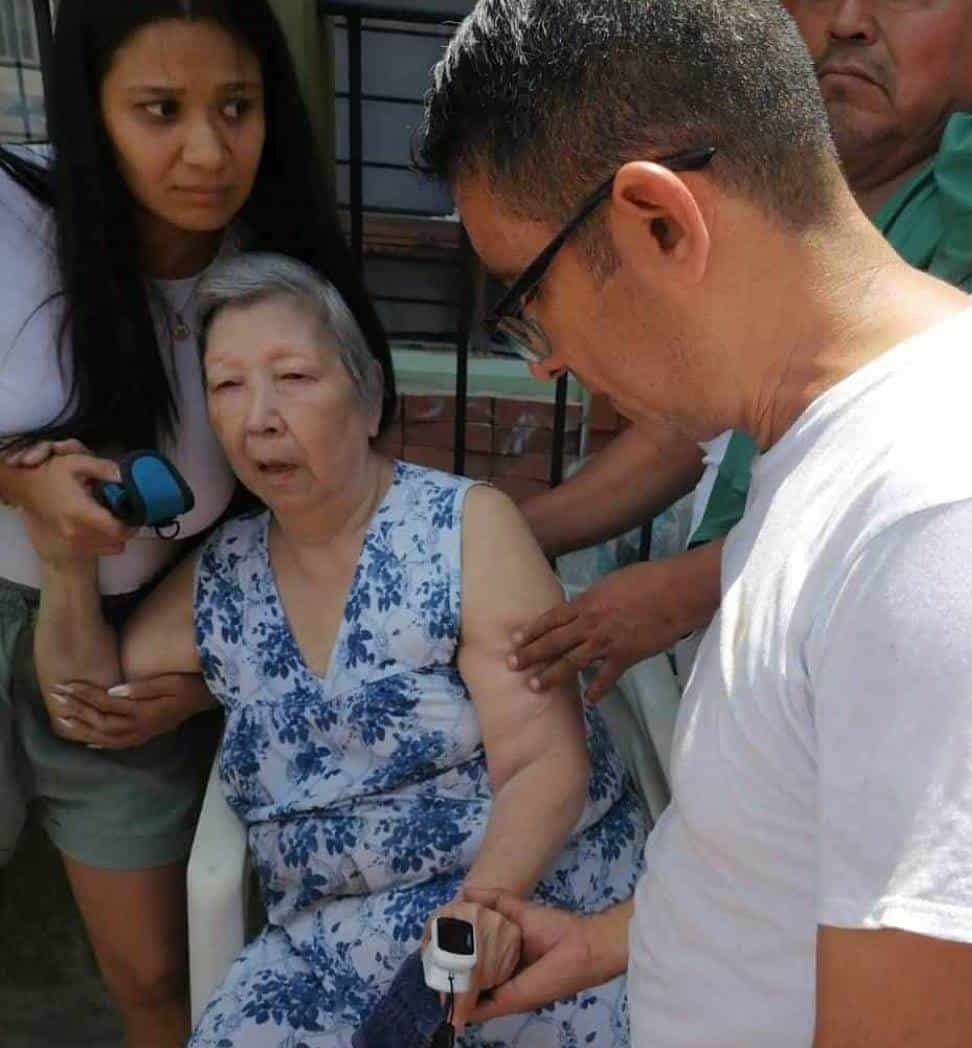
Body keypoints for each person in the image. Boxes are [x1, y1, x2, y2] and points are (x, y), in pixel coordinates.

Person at [419, 0, 972, 1045]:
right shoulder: (838, 456)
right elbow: (821, 851)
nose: (545, 358)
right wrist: (616, 940)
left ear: (660, 223)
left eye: (527, 302)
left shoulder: (964, 532)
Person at [28, 253, 648, 1047]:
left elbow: (543, 762)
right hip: (323, 952)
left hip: (525, 911)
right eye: (227, 386)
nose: (259, 417)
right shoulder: (226, 575)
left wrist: (474, 918)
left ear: (368, 399)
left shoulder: (466, 530)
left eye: (293, 377)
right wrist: (66, 561)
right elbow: (89, 703)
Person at [507, 0, 972, 706]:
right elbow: (698, 423)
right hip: (734, 668)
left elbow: (946, 488)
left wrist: (681, 592)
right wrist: (517, 531)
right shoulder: (787, 190)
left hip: (894, 686)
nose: (850, 21)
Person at [0, 3, 394, 1044]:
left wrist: (204, 671)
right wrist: (16, 484)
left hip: (138, 649)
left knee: (161, 980)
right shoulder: (10, 219)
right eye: (159, 111)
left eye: (237, 106)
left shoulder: (276, 282)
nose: (208, 151)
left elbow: (301, 516)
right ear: (92, 113)